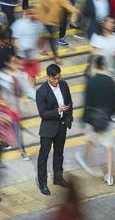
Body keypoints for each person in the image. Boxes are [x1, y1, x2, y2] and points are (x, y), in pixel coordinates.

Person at [76, 55, 115, 185]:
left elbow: (87, 102)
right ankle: (110, 176)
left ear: (94, 66)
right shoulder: (110, 81)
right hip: (107, 119)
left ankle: (84, 158)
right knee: (109, 148)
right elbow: (114, 100)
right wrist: (113, 115)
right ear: (104, 66)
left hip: (94, 119)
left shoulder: (91, 82)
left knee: (90, 138)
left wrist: (84, 120)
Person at [36, 64, 73, 195]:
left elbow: (69, 102)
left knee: (59, 154)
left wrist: (69, 118)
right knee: (43, 156)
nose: (57, 81)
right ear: (48, 77)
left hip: (62, 126)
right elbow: (43, 113)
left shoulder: (64, 85)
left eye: (58, 77)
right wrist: (58, 111)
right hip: (48, 128)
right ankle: (42, 183)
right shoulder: (41, 91)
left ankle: (58, 178)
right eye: (54, 79)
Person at [0, 55, 36, 160]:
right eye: (15, 63)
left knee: (17, 130)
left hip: (15, 108)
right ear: (8, 63)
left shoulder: (22, 76)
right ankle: (4, 142)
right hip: (4, 107)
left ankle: (22, 151)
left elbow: (29, 91)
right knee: (4, 126)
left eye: (19, 63)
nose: (18, 65)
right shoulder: (1, 76)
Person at [89, 15, 115, 116]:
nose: (112, 25)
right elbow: (92, 52)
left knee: (114, 92)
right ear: (104, 23)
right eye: (110, 22)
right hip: (99, 70)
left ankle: (113, 111)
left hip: (111, 70)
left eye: (114, 23)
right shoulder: (96, 37)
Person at [36, 0, 79, 65]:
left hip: (54, 21)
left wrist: (74, 10)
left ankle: (43, 50)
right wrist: (38, 17)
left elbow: (66, 3)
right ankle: (56, 56)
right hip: (44, 19)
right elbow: (39, 6)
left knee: (47, 37)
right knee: (51, 39)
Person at [11, 8, 45, 85]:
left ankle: (31, 91)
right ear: (26, 13)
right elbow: (14, 41)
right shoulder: (19, 24)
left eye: (34, 13)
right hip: (21, 55)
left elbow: (41, 38)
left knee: (32, 75)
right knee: (18, 74)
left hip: (32, 55)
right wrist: (16, 56)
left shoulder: (40, 24)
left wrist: (39, 51)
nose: (33, 15)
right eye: (30, 13)